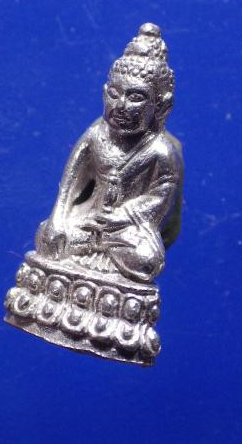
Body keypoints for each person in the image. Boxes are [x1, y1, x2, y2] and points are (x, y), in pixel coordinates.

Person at [36, 23, 183, 283]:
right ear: (104, 94)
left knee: (147, 260)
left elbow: (160, 197)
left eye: (135, 97)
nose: (121, 105)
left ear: (161, 106)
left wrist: (121, 217)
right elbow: (70, 185)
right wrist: (59, 219)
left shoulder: (162, 151)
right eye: (114, 94)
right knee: (49, 237)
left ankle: (96, 250)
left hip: (124, 231)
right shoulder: (96, 134)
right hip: (88, 220)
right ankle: (84, 244)